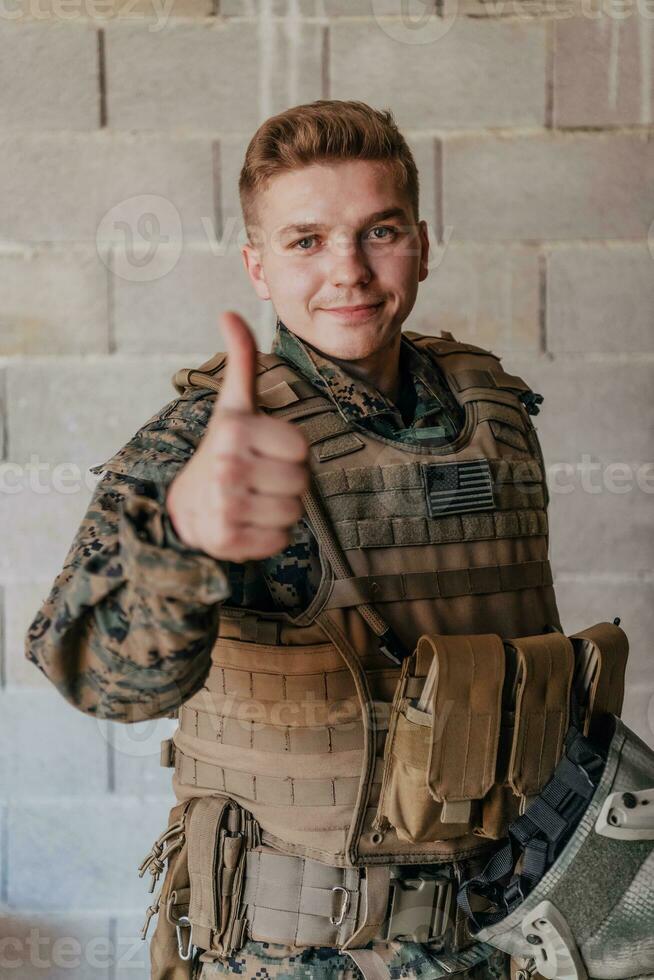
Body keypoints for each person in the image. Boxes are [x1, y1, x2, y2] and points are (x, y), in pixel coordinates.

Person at [25, 100, 581, 980]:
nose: (349, 271)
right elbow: (95, 675)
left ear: (423, 245)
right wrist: (185, 540)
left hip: (517, 940)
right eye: (306, 240)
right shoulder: (205, 441)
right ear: (258, 265)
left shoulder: (496, 414)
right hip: (304, 952)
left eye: (379, 232)